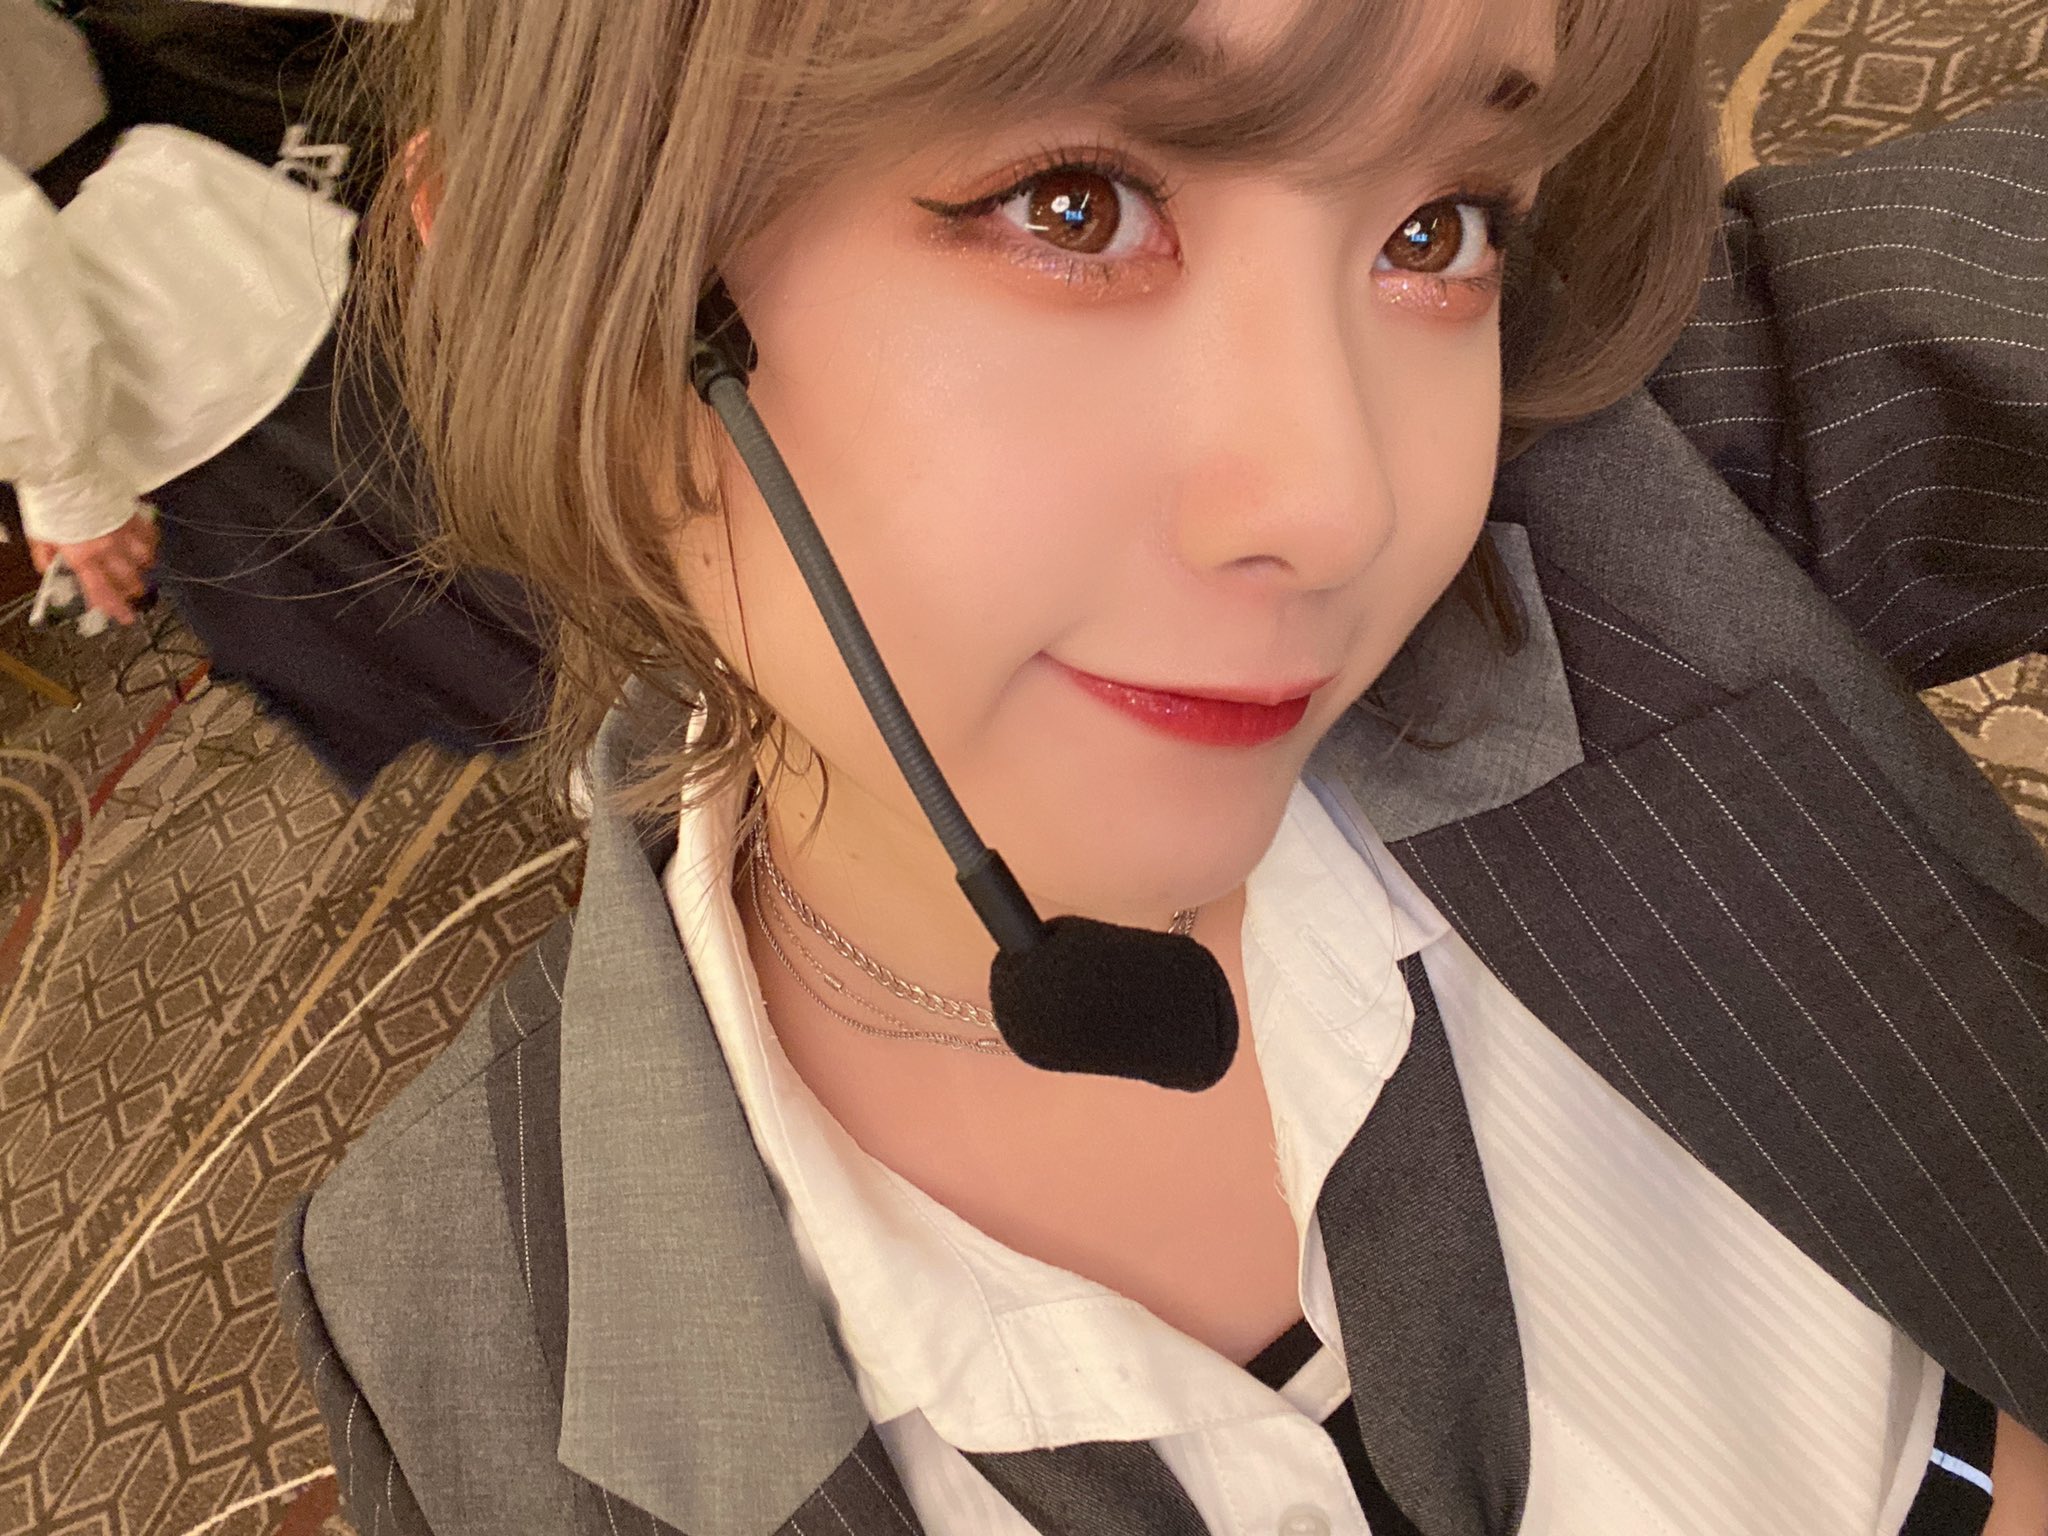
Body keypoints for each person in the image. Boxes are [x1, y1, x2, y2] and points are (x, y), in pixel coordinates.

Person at [275, 0, 2048, 1531]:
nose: (1340, 503)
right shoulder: (455, 1333)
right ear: (557, 295)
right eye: (1076, 203)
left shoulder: (1650, 514)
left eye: (1435, 229)